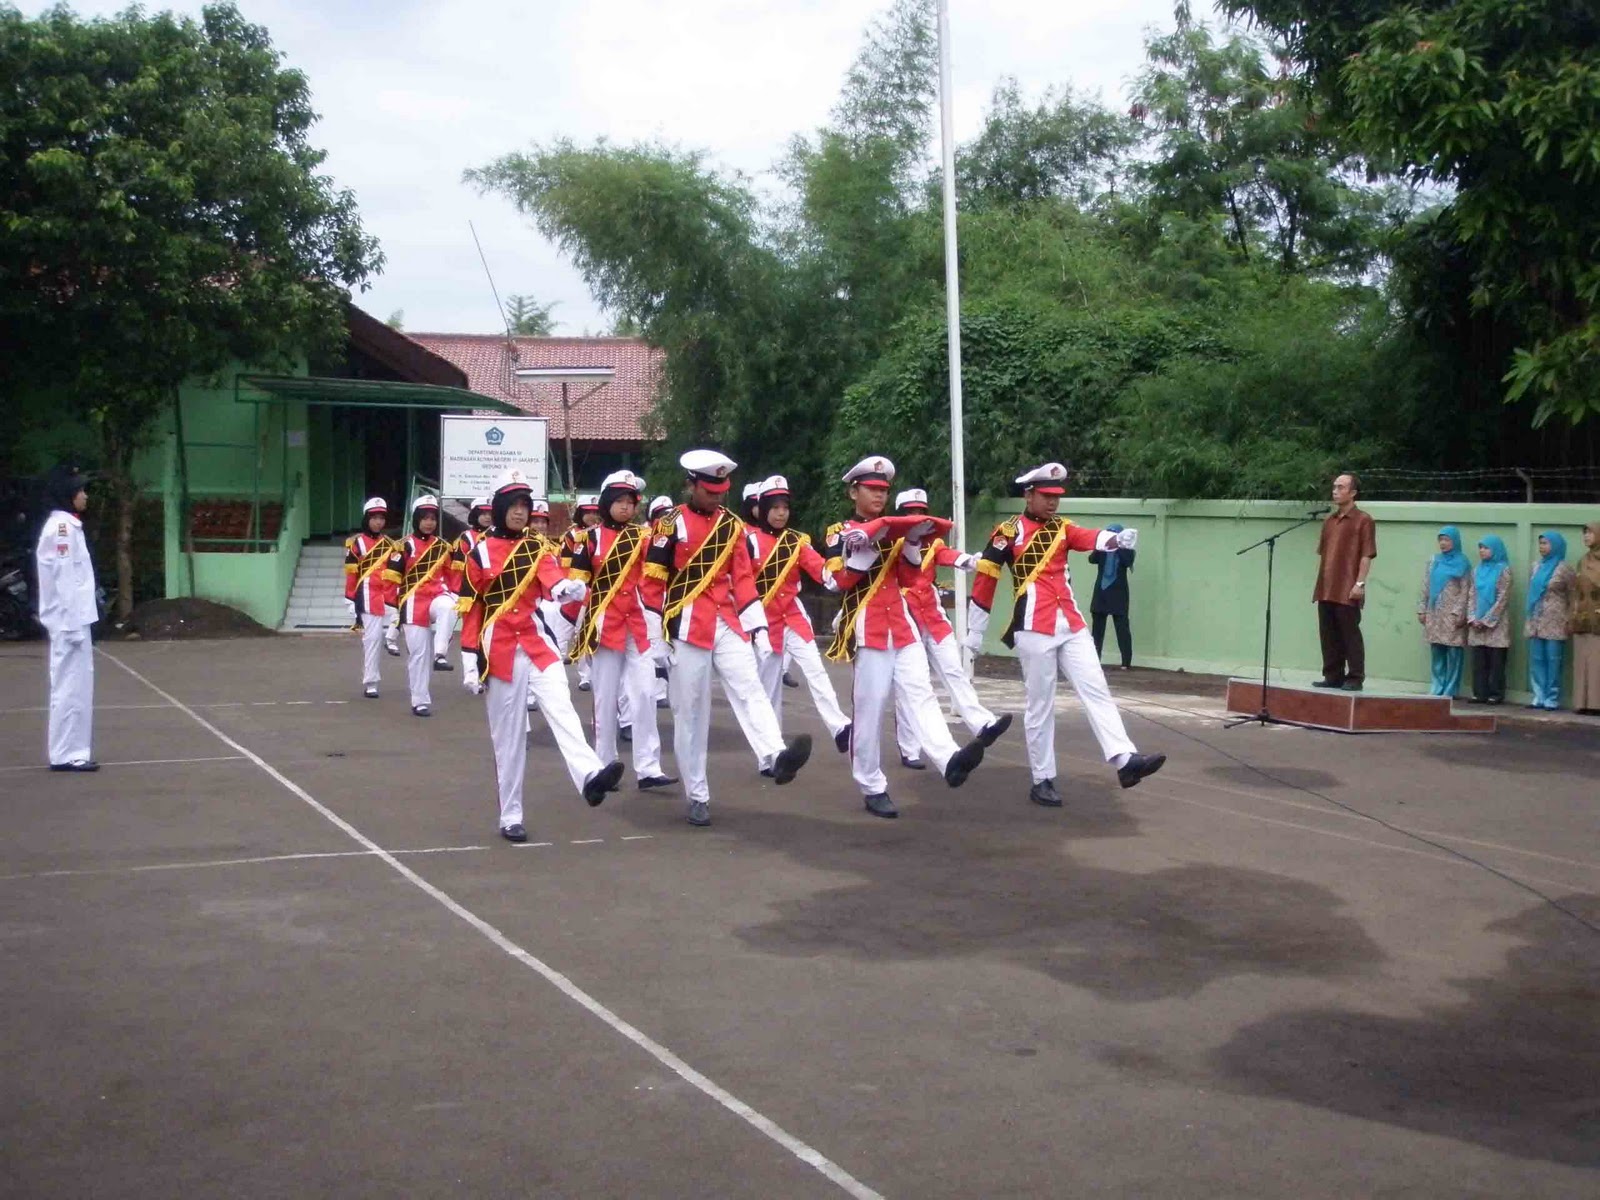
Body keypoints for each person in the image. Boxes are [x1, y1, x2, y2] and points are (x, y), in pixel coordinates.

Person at [967, 462, 1165, 808]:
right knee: (1040, 705)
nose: (1053, 502)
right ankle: (1042, 779)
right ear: (1029, 494)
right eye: (1046, 495)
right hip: (1033, 627)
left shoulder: (1063, 528)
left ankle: (1124, 760)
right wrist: (974, 631)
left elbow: (1089, 537)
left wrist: (1114, 539)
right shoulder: (1007, 532)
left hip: (1071, 624)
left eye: (1057, 496)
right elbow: (986, 577)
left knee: (1096, 689)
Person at [641, 450, 812, 827]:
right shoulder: (670, 525)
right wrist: (656, 639)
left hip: (727, 621)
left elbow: (745, 580)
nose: (717, 496)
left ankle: (776, 754)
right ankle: (697, 793)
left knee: (750, 687)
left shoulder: (731, 526)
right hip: (686, 626)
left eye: (721, 490)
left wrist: (759, 629)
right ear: (691, 484)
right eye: (709, 489)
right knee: (691, 713)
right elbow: (652, 582)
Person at [457, 470, 622, 842]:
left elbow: (552, 579)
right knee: (509, 740)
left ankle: (590, 776)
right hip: (498, 650)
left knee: (562, 707)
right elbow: (472, 611)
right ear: (499, 509)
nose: (519, 513)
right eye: (513, 507)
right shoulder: (479, 552)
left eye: (524, 507)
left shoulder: (536, 547)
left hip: (536, 643)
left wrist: (568, 588)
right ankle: (510, 815)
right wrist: (470, 660)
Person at [825, 457, 988, 819]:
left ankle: (948, 759)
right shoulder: (840, 530)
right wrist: (860, 553)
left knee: (921, 693)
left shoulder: (895, 530)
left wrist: (913, 542)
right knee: (870, 709)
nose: (879, 496)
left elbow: (911, 577)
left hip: (900, 622)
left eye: (884, 490)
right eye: (872, 489)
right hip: (867, 625)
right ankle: (871, 783)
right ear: (854, 491)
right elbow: (835, 580)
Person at [567, 470, 676, 790]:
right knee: (605, 698)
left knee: (644, 694)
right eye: (619, 502)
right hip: (604, 626)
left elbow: (656, 576)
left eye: (631, 502)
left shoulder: (643, 537)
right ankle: (604, 764)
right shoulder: (588, 539)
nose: (626, 507)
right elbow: (578, 585)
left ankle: (649, 767)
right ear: (606, 504)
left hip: (637, 625)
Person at [890, 487, 1011, 768]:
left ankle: (982, 724)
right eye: (910, 513)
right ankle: (909, 749)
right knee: (912, 686)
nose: (917, 518)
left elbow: (948, 555)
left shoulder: (933, 543)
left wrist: (968, 560)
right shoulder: (891, 545)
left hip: (933, 615)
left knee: (954, 670)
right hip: (904, 617)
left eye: (921, 513)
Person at [747, 474, 852, 752]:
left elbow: (819, 568)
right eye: (775, 507)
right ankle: (770, 752)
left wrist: (839, 576)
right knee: (768, 689)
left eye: (785, 507)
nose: (781, 513)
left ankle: (840, 727)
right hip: (763, 623)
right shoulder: (749, 541)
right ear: (765, 507)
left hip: (794, 618)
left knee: (817, 672)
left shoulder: (796, 541)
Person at [34, 464, 99, 771]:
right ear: (67, 495)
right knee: (69, 687)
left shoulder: (69, 526)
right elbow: (63, 577)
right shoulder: (61, 529)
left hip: (74, 619)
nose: (84, 495)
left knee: (78, 686)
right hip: (68, 620)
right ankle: (66, 753)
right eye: (80, 490)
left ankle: (75, 750)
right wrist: (72, 624)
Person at [382, 495, 456, 717]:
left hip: (437, 598)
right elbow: (391, 580)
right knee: (418, 655)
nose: (429, 522)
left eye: (433, 518)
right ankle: (420, 701)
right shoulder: (402, 546)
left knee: (449, 607)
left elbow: (453, 578)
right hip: (413, 604)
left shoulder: (443, 547)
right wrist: (395, 609)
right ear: (416, 520)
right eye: (424, 518)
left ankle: (440, 654)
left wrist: (459, 597)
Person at [1312, 472, 1377, 691]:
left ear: (1353, 493)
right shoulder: (1329, 521)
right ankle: (1332, 675)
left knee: (1350, 634)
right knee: (1328, 633)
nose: (1335, 491)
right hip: (1326, 586)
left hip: (1348, 586)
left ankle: (1355, 677)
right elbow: (1325, 554)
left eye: (1341, 487)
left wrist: (1359, 583)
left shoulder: (1363, 520)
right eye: (1334, 487)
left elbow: (1366, 554)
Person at [344, 498, 397, 699]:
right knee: (372, 639)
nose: (378, 522)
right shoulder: (355, 543)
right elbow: (351, 574)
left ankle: (391, 640)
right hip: (367, 596)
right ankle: (371, 682)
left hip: (389, 595)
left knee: (403, 620)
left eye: (381, 518)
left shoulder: (391, 544)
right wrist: (350, 600)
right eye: (374, 518)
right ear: (367, 519)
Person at [439, 495, 493, 667]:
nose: (486, 517)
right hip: (467, 591)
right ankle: (440, 654)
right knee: (456, 619)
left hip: (492, 591)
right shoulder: (466, 538)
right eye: (482, 513)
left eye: (489, 513)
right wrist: (460, 592)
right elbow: (459, 568)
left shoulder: (497, 536)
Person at [1417, 525, 1470, 698]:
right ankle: (1437, 685)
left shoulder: (1463, 562)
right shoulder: (1434, 561)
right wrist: (1421, 609)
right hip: (1435, 613)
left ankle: (1451, 689)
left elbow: (1466, 590)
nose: (1443, 543)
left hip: (1452, 614)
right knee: (1437, 650)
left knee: (1454, 652)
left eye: (1447, 540)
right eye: (1441, 540)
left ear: (1455, 541)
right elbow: (1426, 585)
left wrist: (1459, 613)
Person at [1525, 531, 1575, 711]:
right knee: (1537, 658)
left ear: (1555, 545)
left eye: (1546, 544)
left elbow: (1572, 595)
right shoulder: (1536, 566)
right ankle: (1538, 695)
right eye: (1540, 544)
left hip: (1556, 619)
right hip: (1537, 618)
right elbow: (1531, 591)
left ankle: (1552, 697)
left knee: (1553, 659)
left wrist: (1570, 619)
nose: (1542, 547)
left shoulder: (1564, 568)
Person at [1466, 535, 1512, 705]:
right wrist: (1472, 617)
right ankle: (1479, 693)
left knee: (1496, 662)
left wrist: (1486, 620)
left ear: (1496, 550)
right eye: (1480, 548)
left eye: (1486, 548)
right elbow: (1471, 594)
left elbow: (1503, 598)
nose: (1482, 551)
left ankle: (1496, 693)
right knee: (1478, 661)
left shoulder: (1504, 570)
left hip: (1496, 624)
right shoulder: (1477, 570)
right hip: (1476, 622)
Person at [1088, 524, 1135, 670]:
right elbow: (1092, 559)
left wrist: (1121, 546)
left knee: (1122, 628)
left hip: (1118, 593)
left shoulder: (1127, 551)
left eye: (1115, 536)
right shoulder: (1102, 550)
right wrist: (1102, 545)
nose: (1112, 538)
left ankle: (1126, 662)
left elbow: (1127, 562)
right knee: (1097, 630)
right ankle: (1095, 660)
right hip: (1101, 592)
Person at [1571, 521, 1600, 715]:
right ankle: (1582, 702)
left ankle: (1596, 703)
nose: (1586, 537)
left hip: (1598, 615)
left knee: (1597, 660)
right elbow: (1576, 590)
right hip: (1582, 615)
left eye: (1590, 533)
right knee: (1582, 660)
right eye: (1584, 533)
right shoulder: (1582, 560)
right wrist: (1573, 613)